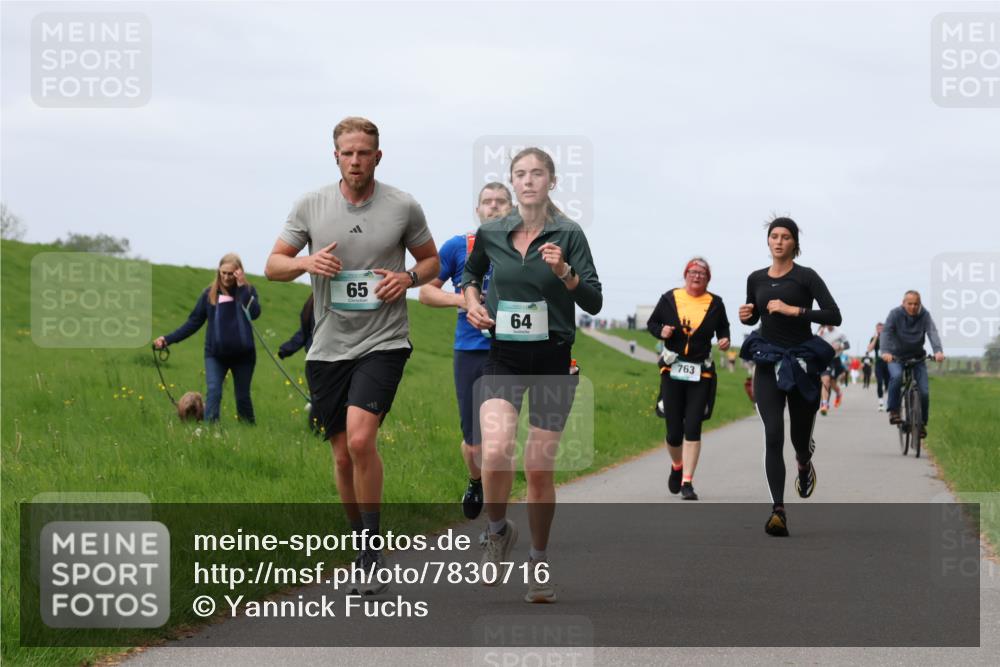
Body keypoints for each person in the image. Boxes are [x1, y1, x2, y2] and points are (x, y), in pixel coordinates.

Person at [264, 116, 439, 593]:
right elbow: (273, 265)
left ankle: (369, 553)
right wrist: (305, 261)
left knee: (361, 441)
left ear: (378, 157)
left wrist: (408, 279)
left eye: (364, 152)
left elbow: (430, 262)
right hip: (327, 345)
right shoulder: (311, 205)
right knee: (342, 457)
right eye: (348, 153)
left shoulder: (403, 206)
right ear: (336, 156)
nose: (356, 160)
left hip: (384, 341)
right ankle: (360, 540)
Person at [462, 147, 602, 603]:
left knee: (538, 469)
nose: (527, 181)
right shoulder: (492, 232)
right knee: (496, 448)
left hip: (553, 359)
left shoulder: (570, 233)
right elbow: (470, 276)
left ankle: (539, 563)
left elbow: (595, 301)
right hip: (503, 355)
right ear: (512, 182)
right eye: (519, 174)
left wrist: (565, 273)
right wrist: (473, 303)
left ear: (552, 181)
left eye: (537, 174)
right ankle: (498, 531)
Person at [738, 217, 840, 537]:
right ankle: (778, 510)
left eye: (785, 237)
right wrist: (748, 315)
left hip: (800, 364)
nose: (779, 241)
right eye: (774, 236)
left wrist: (794, 310)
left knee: (798, 441)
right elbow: (756, 311)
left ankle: (804, 462)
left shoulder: (806, 277)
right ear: (768, 242)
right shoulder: (755, 277)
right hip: (768, 363)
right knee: (772, 435)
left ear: (795, 243)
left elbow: (833, 315)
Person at [418, 182, 513, 519]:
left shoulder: (525, 250)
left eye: (501, 202)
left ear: (512, 209)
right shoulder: (459, 247)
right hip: (469, 350)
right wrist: (464, 299)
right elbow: (426, 293)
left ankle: (497, 521)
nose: (494, 207)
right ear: (478, 210)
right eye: (487, 202)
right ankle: (475, 480)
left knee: (499, 442)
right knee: (474, 443)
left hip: (510, 353)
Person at [646, 257, 730, 501]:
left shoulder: (715, 303)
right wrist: (660, 331)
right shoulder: (670, 298)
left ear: (708, 278)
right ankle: (677, 466)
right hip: (672, 370)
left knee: (693, 426)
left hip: (701, 372)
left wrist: (724, 340)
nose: (697, 276)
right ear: (685, 274)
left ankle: (688, 482)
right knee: (674, 431)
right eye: (693, 272)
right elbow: (653, 323)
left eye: (702, 273)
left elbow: (723, 328)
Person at [155, 253, 260, 423]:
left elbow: (255, 313)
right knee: (214, 392)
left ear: (239, 272)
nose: (226, 277)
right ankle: (211, 431)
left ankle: (248, 429)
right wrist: (167, 339)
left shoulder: (247, 291)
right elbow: (193, 322)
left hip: (244, 356)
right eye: (223, 273)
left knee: (242, 396)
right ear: (218, 272)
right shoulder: (208, 295)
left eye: (230, 273)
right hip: (215, 354)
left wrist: (242, 289)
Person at [880, 290, 945, 439]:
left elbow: (932, 332)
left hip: (917, 358)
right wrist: (885, 351)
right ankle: (894, 411)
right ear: (903, 303)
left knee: (924, 391)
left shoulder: (925, 315)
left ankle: (921, 423)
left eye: (916, 304)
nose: (913, 307)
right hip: (895, 357)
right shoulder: (895, 314)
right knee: (896, 377)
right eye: (910, 303)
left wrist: (938, 351)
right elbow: (886, 333)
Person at [817, 324, 847, 415]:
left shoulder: (840, 333)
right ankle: (824, 404)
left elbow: (847, 344)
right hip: (824, 360)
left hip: (835, 360)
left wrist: (840, 347)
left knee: (832, 383)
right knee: (826, 380)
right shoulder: (820, 332)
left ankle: (838, 393)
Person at [277, 294, 315, 360]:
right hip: (314, 358)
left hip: (333, 360)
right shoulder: (313, 301)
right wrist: (286, 350)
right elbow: (305, 331)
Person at [866, 322, 890, 410]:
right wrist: (876, 337)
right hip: (879, 363)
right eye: (878, 329)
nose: (880, 330)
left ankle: (888, 399)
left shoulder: (888, 337)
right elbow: (869, 349)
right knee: (879, 382)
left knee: (888, 383)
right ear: (876, 329)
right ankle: (880, 403)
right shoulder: (874, 338)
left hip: (888, 363)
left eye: (881, 328)